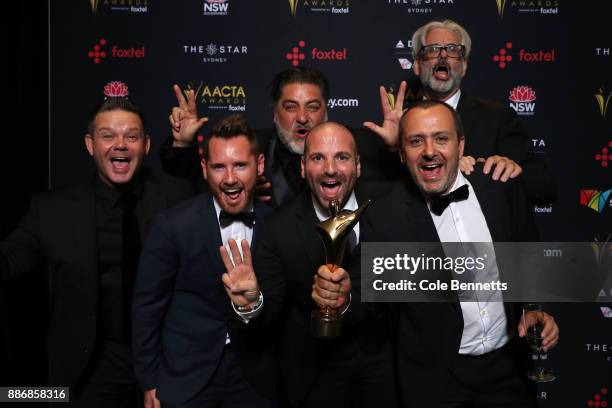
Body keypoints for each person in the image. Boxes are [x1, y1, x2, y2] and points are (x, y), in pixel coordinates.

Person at [314, 100, 560, 407]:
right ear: (402, 154)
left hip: (509, 369)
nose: (429, 150)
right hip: (436, 381)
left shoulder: (500, 185)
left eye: (441, 138)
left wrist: (535, 306)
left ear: (461, 145)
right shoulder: (386, 216)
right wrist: (344, 296)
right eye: (416, 141)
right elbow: (367, 291)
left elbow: (528, 255)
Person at [0, 96, 194, 407]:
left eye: (131, 136)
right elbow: (9, 260)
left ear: (145, 145)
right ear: (90, 145)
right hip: (89, 364)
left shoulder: (177, 195)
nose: (120, 145)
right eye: (108, 136)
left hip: (165, 357)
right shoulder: (52, 210)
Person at [220, 122, 396, 407]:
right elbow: (268, 315)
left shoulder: (391, 208)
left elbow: (404, 287)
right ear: (303, 168)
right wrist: (251, 304)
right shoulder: (279, 227)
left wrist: (349, 298)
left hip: (383, 371)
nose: (330, 169)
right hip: (315, 376)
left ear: (358, 166)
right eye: (318, 158)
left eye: (341, 157)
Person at [132, 114, 276, 408]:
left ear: (259, 165)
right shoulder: (173, 225)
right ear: (204, 169)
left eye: (240, 165)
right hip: (186, 375)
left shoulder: (278, 224)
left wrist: (252, 304)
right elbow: (147, 307)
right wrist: (148, 380)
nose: (230, 178)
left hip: (254, 377)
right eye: (219, 167)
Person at [364, 19, 556, 204]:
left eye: (453, 50)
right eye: (432, 50)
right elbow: (379, 199)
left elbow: (544, 188)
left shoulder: (497, 118)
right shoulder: (402, 121)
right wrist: (394, 147)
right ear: (416, 65)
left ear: (464, 66)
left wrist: (508, 169)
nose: (443, 55)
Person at [161, 66, 402, 206]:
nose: (302, 117)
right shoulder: (249, 148)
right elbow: (190, 187)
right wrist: (182, 144)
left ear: (326, 110)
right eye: (290, 107)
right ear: (274, 111)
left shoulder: (359, 145)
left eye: (312, 106)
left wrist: (394, 148)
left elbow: (398, 191)